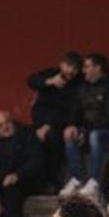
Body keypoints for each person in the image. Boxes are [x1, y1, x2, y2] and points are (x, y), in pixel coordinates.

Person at [64, 53, 109, 189]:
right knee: (68, 134)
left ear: (98, 68)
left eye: (87, 66)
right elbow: (75, 111)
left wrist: (86, 131)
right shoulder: (82, 88)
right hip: (87, 132)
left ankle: (94, 180)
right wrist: (73, 126)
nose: (83, 70)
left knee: (94, 135)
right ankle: (76, 178)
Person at [27, 51, 83, 181]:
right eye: (69, 66)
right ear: (61, 65)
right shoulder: (51, 74)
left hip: (59, 125)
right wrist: (49, 82)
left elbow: (71, 111)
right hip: (39, 122)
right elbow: (31, 80)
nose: (71, 71)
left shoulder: (77, 85)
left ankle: (52, 181)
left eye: (75, 68)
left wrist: (48, 125)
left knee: (52, 139)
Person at [0, 110, 45, 214]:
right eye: (0, 125)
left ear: (13, 122)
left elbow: (36, 161)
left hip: (25, 178)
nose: (5, 127)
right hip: (2, 177)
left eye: (7, 122)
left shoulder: (27, 134)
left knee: (10, 191)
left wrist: (17, 175)